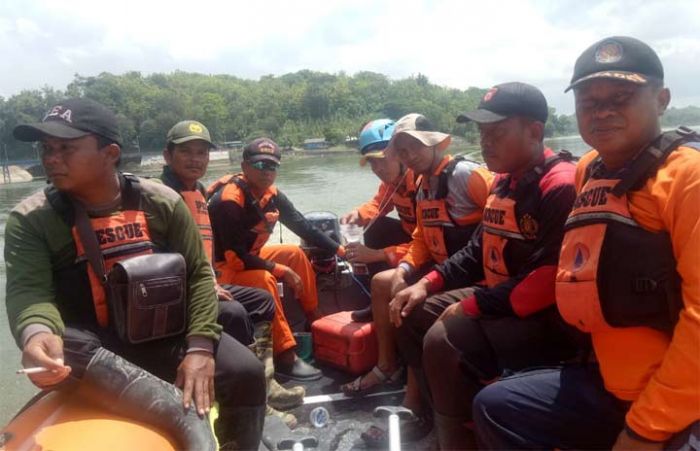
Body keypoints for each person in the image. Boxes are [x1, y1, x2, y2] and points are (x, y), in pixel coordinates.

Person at [472, 36, 700, 450]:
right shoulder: (589, 171)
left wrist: (645, 430)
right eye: (589, 102)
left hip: (680, 400)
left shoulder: (689, 177)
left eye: (621, 96)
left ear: (662, 100)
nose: (603, 111)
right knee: (496, 406)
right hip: (608, 379)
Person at [5, 98, 266, 449]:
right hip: (95, 349)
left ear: (110, 153)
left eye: (66, 147)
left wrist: (200, 349)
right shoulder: (32, 219)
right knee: (67, 340)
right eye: (46, 148)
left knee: (247, 372)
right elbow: (30, 292)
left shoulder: (160, 202)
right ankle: (180, 413)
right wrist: (36, 335)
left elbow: (200, 276)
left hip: (160, 335)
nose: (51, 158)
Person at [390, 82, 580, 449]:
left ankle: (458, 442)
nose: (485, 142)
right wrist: (427, 282)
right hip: (501, 295)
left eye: (496, 133)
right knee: (409, 310)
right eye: (481, 133)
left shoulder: (558, 186)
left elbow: (547, 280)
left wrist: (470, 306)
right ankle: (446, 419)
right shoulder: (504, 183)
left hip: (545, 317)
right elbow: (477, 251)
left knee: (443, 339)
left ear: (535, 132)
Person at [341, 113, 493, 445]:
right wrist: (406, 270)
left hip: (470, 272)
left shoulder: (464, 176)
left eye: (386, 159)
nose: (382, 167)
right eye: (402, 151)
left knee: (408, 308)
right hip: (441, 265)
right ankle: (391, 368)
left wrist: (390, 261)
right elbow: (421, 235)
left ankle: (418, 401)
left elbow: (502, 209)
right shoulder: (422, 183)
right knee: (388, 283)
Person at [160, 120, 304, 427]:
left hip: (205, 279)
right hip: (178, 291)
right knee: (237, 311)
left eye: (201, 152)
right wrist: (206, 284)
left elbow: (201, 248)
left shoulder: (197, 191)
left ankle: (266, 385)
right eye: (186, 152)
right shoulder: (160, 195)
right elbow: (163, 256)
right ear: (167, 155)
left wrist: (209, 279)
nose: (195, 159)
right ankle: (255, 401)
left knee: (262, 300)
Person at [207, 137, 345, 381]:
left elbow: (302, 225)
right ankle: (286, 356)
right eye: (259, 166)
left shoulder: (271, 194)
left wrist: (339, 250)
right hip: (223, 268)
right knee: (265, 280)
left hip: (250, 257)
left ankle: (316, 320)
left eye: (272, 166)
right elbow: (236, 258)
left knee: (295, 253)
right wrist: (280, 270)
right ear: (244, 166)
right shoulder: (229, 201)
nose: (266, 172)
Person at [339, 118, 419, 322]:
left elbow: (427, 243)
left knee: (378, 233)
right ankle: (376, 301)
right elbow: (378, 204)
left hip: (426, 247)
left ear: (401, 153)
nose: (377, 168)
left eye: (382, 159)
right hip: (411, 240)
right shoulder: (393, 181)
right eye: (372, 162)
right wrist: (359, 214)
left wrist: (378, 255)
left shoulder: (421, 182)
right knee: (377, 226)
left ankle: (386, 295)